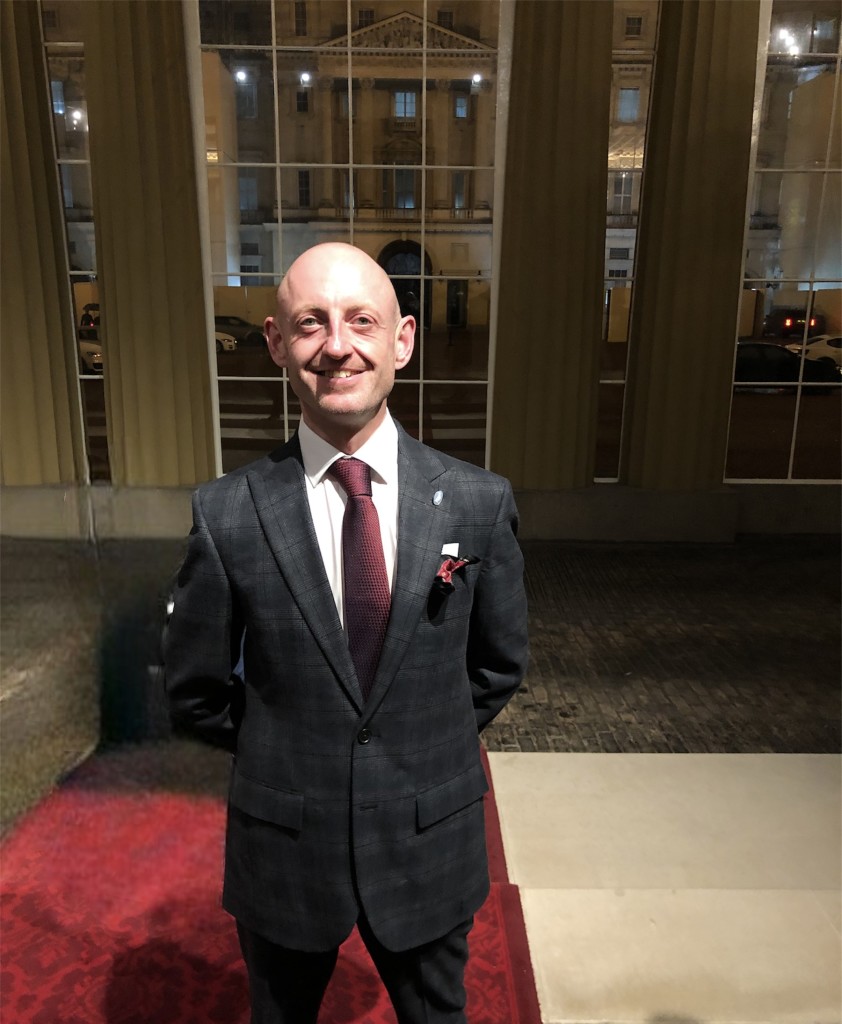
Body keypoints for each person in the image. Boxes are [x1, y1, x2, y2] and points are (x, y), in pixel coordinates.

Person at [163, 242, 528, 1024]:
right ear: (275, 344)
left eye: (362, 320)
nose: (338, 345)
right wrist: (289, 744)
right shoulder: (227, 513)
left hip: (431, 834)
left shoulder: (477, 504)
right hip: (286, 847)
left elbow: (497, 668)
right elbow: (194, 691)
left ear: (401, 340)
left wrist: (417, 737)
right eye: (310, 324)